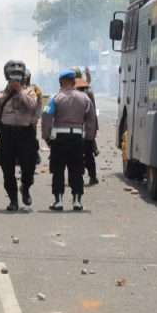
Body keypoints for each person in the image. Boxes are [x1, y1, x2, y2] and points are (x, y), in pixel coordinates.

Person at [42, 69, 97, 211]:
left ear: (61, 82)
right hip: (77, 138)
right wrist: (89, 138)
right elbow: (91, 119)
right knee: (77, 170)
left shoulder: (55, 98)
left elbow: (46, 116)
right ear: (74, 82)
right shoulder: (84, 98)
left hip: (59, 138)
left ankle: (58, 201)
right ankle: (77, 201)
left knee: (58, 170)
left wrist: (46, 136)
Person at [0, 60, 39, 210]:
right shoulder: (0, 97)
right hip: (7, 135)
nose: (15, 80)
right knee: (7, 170)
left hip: (26, 134)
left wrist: (19, 91)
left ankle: (25, 187)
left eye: (18, 76)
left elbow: (32, 106)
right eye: (12, 77)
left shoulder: (30, 92)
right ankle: (13, 200)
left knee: (28, 168)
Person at [75, 72, 100, 186]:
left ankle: (84, 175)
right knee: (88, 153)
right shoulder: (88, 91)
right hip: (87, 127)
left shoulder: (76, 93)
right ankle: (92, 176)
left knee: (80, 153)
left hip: (80, 127)